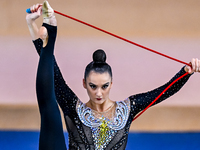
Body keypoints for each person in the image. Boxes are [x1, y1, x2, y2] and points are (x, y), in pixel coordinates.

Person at [26, 1, 200, 150]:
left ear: (111, 83)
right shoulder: (75, 108)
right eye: (93, 86)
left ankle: (49, 37)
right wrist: (31, 26)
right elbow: (53, 74)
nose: (99, 93)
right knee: (49, 106)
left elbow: (162, 92)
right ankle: (51, 35)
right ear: (84, 84)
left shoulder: (126, 109)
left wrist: (185, 73)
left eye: (104, 86)